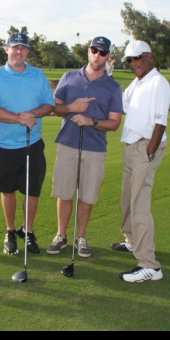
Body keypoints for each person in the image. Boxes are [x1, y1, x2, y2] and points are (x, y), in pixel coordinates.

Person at [46, 37, 123, 258]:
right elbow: (54, 109)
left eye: (102, 52)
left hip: (95, 148)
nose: (97, 55)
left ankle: (80, 237)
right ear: (88, 51)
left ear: (108, 57)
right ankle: (61, 235)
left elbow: (115, 123)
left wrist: (91, 121)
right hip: (67, 144)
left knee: (87, 196)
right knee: (64, 193)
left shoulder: (113, 87)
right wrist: (72, 107)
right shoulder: (69, 77)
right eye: (94, 50)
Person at [0, 32, 55, 255]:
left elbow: (49, 104)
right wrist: (20, 118)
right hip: (5, 145)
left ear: (27, 51)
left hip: (33, 143)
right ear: (6, 49)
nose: (18, 51)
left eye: (23, 48)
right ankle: (10, 230)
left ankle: (27, 230)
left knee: (32, 191)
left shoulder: (38, 75)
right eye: (14, 47)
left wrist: (31, 113)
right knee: (8, 190)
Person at [111, 40, 170, 283]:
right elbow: (120, 104)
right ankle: (132, 240)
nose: (133, 63)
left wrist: (149, 153)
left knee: (138, 203)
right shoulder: (137, 83)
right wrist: (108, 77)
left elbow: (160, 123)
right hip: (131, 145)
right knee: (126, 198)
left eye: (137, 58)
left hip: (146, 146)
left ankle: (149, 265)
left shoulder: (158, 82)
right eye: (130, 60)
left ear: (149, 56)